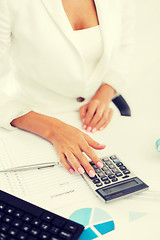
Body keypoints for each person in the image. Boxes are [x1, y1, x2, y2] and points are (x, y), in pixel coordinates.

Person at [0, 0, 135, 177]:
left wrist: (105, 92)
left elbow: (123, 50)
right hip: (28, 117)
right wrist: (54, 130)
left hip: (94, 119)